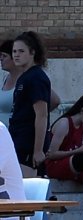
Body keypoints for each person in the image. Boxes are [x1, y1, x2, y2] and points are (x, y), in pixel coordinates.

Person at [8, 33, 54, 173]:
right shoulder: (25, 77)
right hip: (18, 139)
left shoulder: (36, 77)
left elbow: (42, 115)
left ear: (32, 52)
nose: (16, 55)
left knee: (27, 188)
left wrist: (38, 150)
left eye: (21, 51)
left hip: (28, 143)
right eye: (14, 51)